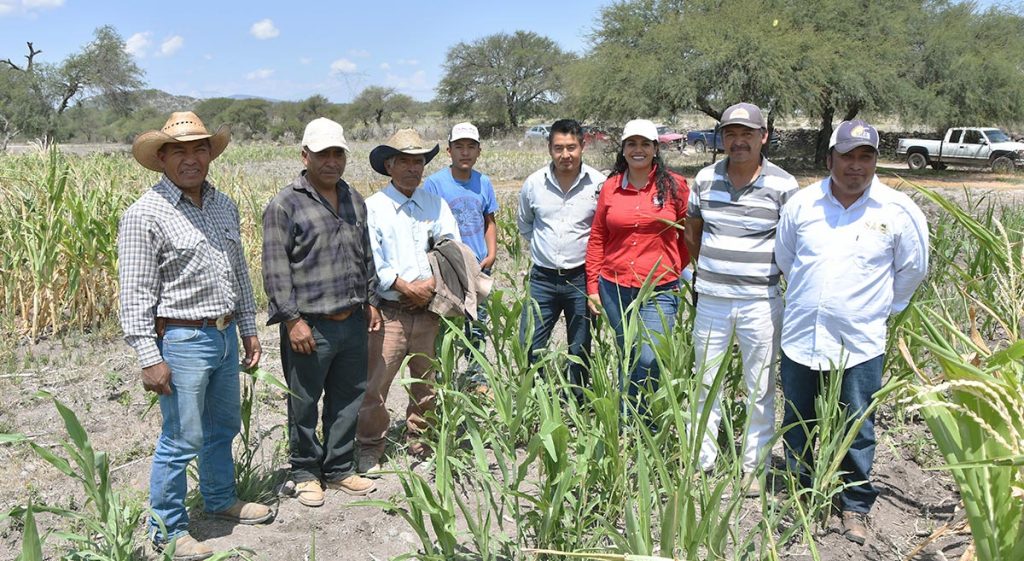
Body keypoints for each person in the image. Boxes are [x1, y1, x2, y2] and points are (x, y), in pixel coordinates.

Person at [118, 111, 272, 560]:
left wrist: (247, 330)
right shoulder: (145, 214)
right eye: (179, 151)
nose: (191, 159)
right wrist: (149, 356)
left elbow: (239, 273)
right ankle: (167, 530)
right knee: (181, 438)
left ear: (210, 153)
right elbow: (134, 295)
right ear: (161, 158)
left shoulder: (223, 204)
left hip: (223, 337)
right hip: (182, 340)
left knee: (222, 426)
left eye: (199, 148)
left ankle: (221, 499)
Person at [775, 120, 929, 545]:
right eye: (847, 156)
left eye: (866, 157)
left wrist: (879, 311)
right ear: (830, 159)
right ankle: (802, 494)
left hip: (859, 343)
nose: (855, 166)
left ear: (876, 161)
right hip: (802, 336)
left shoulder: (898, 211)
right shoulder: (803, 205)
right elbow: (787, 259)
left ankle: (854, 505)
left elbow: (912, 271)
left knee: (857, 427)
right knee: (798, 420)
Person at [262, 118, 380, 508]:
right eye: (323, 154)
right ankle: (305, 471)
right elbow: (276, 268)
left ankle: (341, 467)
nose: (331, 161)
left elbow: (366, 255)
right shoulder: (286, 204)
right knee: (304, 400)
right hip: (310, 325)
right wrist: (292, 320)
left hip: (351, 320)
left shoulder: (353, 199)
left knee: (348, 397)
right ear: (305, 155)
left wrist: (371, 300)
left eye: (338, 153)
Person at [683, 103, 800, 493]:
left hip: (760, 303)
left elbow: (790, 244)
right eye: (731, 133)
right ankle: (701, 462)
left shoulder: (784, 186)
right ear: (722, 137)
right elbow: (692, 234)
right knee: (705, 382)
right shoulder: (703, 179)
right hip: (712, 299)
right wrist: (713, 272)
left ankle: (754, 466)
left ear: (763, 136)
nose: (738, 141)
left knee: (760, 386)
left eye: (747, 134)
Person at [357, 128, 461, 473]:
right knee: (376, 384)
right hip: (391, 312)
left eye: (418, 162)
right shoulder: (374, 208)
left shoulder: (435, 204)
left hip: (428, 309)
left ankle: (421, 438)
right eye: (405, 161)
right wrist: (404, 285)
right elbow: (372, 259)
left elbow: (450, 247)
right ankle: (370, 446)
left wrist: (431, 284)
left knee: (425, 382)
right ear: (389, 166)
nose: (413, 169)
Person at [586, 118, 689, 412]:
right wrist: (593, 285)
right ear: (623, 149)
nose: (638, 149)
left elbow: (689, 233)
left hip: (659, 288)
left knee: (649, 356)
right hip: (615, 287)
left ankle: (647, 416)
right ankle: (628, 419)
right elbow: (597, 237)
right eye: (632, 143)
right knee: (627, 353)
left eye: (645, 144)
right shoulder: (610, 187)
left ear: (656, 149)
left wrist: (673, 266)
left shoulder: (675, 186)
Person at [517, 119, 606, 400]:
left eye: (571, 147)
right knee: (529, 343)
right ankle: (536, 399)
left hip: (581, 279)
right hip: (542, 278)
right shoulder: (533, 184)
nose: (565, 155)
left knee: (579, 346)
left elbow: (603, 230)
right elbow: (526, 225)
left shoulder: (599, 184)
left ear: (583, 145)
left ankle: (578, 401)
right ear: (549, 148)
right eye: (558, 148)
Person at [423, 122, 498, 392]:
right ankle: (443, 381)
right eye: (459, 147)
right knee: (444, 327)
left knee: (477, 327)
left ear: (479, 151)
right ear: (449, 150)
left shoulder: (483, 182)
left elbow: (489, 221)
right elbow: (426, 225)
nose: (464, 152)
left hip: (478, 268)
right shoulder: (435, 184)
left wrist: (491, 253)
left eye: (470, 147)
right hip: (448, 271)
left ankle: (476, 380)